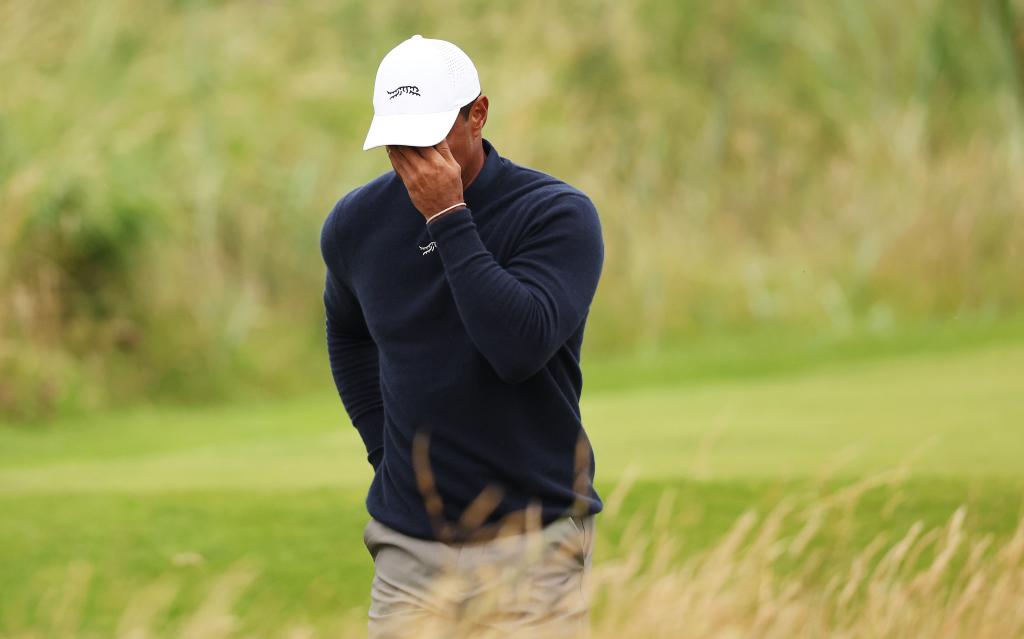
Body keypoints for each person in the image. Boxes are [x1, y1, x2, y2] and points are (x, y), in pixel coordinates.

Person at [319, 34, 605, 638]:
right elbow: (348, 334)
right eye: (399, 136)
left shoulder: (556, 214)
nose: (412, 153)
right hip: (408, 547)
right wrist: (385, 454)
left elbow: (518, 349)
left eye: (429, 132)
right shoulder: (355, 224)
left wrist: (448, 218)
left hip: (534, 539)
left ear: (477, 115)